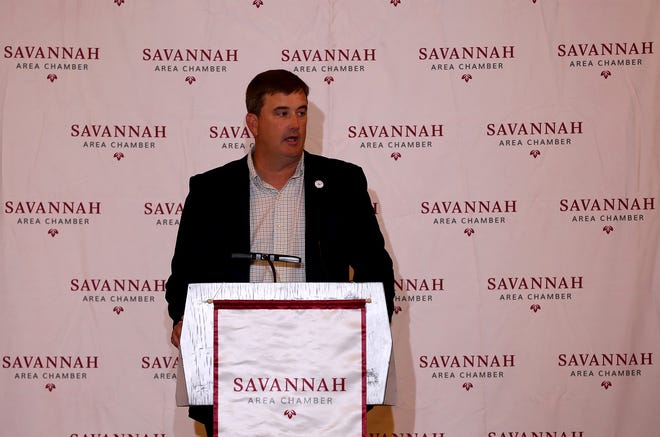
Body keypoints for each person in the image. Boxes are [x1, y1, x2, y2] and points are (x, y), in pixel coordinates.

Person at [165, 69, 395, 436]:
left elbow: (375, 267)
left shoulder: (343, 183)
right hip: (237, 369)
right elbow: (185, 275)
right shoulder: (211, 190)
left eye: (301, 112)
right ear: (253, 123)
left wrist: (372, 333)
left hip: (324, 371)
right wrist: (182, 318)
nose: (295, 124)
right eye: (282, 112)